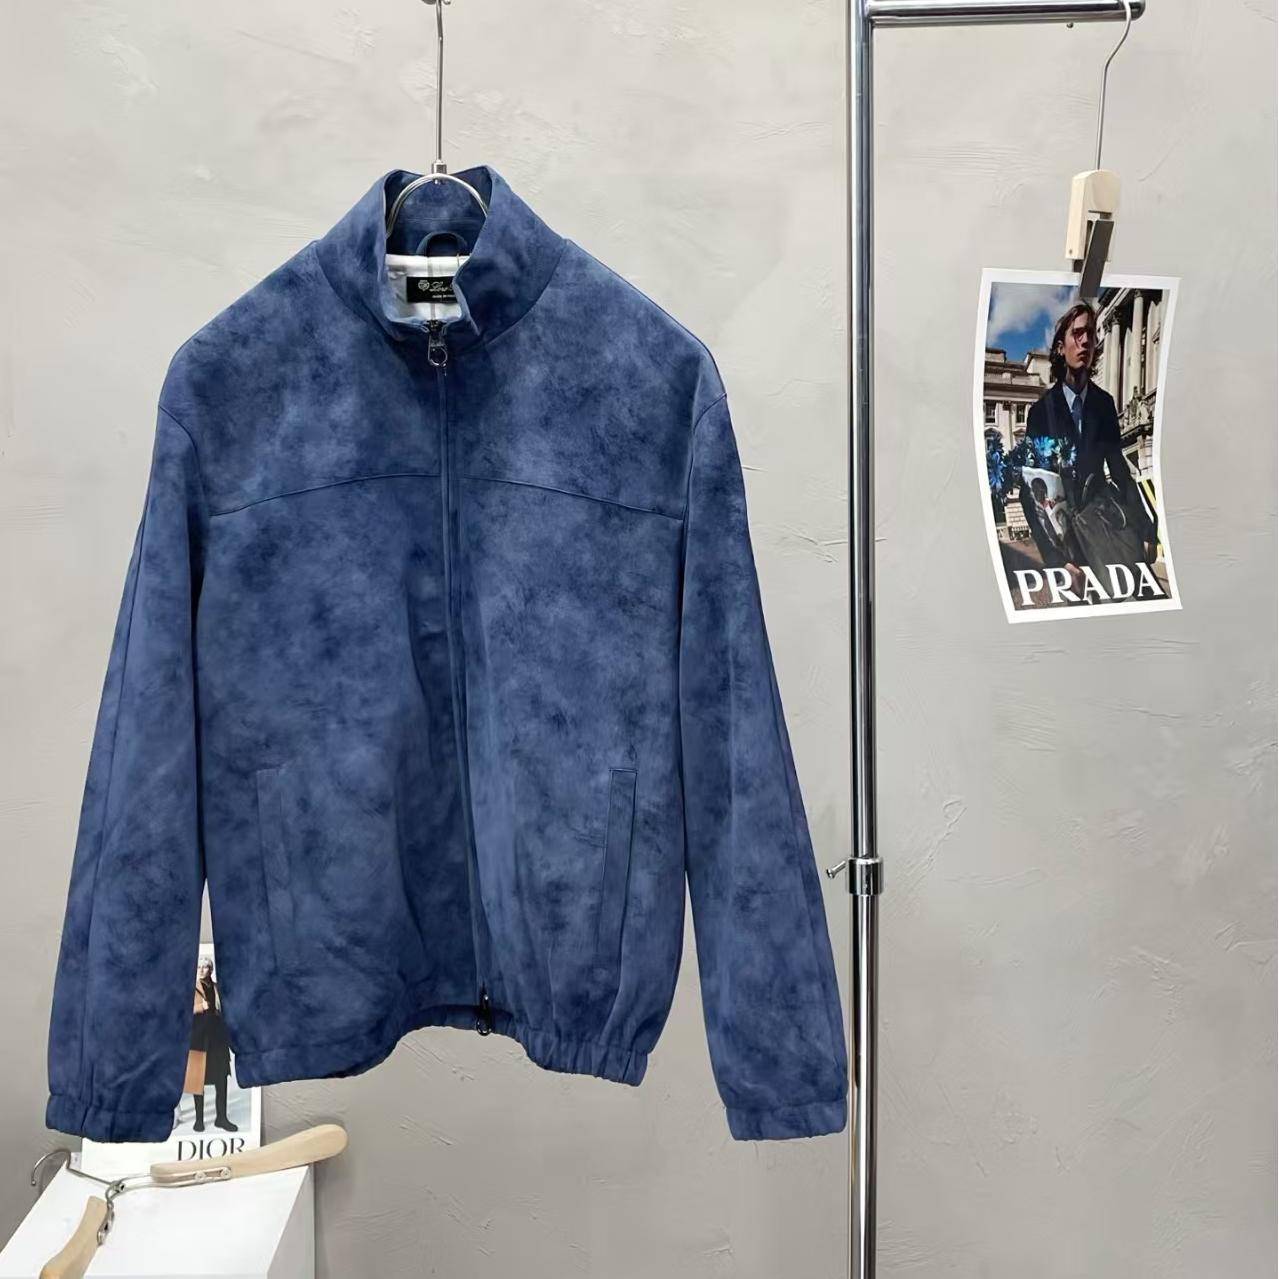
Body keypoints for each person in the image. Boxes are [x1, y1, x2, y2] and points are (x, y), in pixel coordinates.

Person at [1019, 300, 1156, 597]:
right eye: (1077, 333)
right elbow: (1030, 492)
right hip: (1068, 550)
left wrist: (1147, 529)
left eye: (1091, 335)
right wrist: (1056, 561)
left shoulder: (1104, 404)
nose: (1085, 341)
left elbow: (1120, 472)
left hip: (1106, 531)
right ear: (1060, 347)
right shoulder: (1041, 412)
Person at [187, 956, 238, 1133]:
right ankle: (199, 1120)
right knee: (198, 1081)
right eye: (199, 967)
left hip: (217, 1040)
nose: (201, 970)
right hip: (198, 1041)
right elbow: (181, 1012)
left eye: (205, 967)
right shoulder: (190, 987)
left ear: (211, 969)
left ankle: (221, 1118)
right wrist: (200, 1006)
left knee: (221, 1079)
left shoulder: (217, 987)